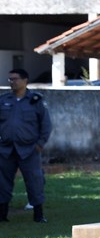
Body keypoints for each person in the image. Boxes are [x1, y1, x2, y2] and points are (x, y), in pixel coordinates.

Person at [0, 69, 52, 223]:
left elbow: (46, 125)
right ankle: (2, 215)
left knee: (34, 181)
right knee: (2, 182)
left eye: (15, 79)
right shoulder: (3, 100)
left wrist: (40, 144)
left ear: (25, 80)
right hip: (6, 149)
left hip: (29, 149)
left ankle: (38, 214)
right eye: (10, 79)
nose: (12, 82)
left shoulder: (35, 100)